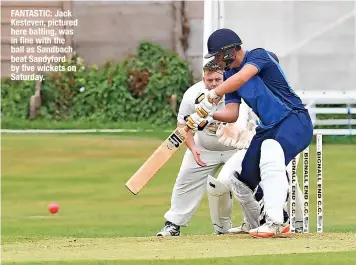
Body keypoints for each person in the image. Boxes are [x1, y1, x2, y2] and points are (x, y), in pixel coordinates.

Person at [187, 28, 313, 238]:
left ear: (229, 51)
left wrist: (211, 96)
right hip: (268, 127)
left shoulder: (258, 56)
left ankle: (276, 222)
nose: (217, 61)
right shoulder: (229, 75)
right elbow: (232, 113)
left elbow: (242, 78)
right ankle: (253, 222)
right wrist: (207, 117)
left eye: (218, 55)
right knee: (244, 179)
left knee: (271, 151)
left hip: (294, 119)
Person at [156, 61, 254, 236]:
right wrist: (193, 148)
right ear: (204, 79)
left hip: (237, 149)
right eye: (210, 80)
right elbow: (182, 126)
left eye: (218, 79)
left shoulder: (237, 90)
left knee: (232, 184)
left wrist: (241, 132)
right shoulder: (192, 94)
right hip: (204, 148)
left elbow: (244, 120)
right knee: (185, 181)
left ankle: (252, 224)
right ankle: (173, 225)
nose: (215, 84)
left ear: (225, 76)